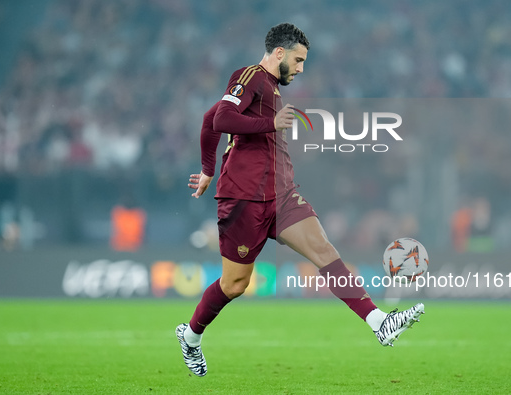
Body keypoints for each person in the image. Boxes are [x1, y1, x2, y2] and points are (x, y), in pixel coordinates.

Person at [177, 23, 424, 377]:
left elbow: (208, 119)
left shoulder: (269, 87)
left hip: (281, 193)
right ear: (279, 52)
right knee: (235, 284)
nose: (301, 67)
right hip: (243, 197)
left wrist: (206, 169)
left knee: (324, 250)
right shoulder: (250, 76)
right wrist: (268, 126)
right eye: (298, 59)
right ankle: (190, 336)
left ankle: (378, 321)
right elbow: (220, 118)